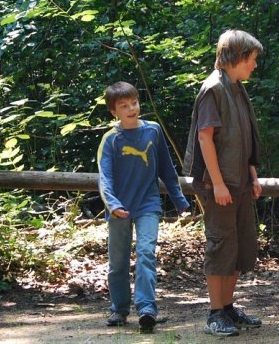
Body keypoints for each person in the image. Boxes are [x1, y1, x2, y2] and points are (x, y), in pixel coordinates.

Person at [184, 30, 265, 337]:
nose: (254, 65)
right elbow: (205, 137)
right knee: (220, 245)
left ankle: (229, 308)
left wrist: (253, 176)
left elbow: (244, 139)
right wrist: (217, 184)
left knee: (239, 247)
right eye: (252, 59)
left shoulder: (237, 87)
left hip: (240, 182)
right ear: (236, 57)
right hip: (217, 183)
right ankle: (215, 313)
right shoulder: (212, 89)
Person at [97, 81, 189, 332]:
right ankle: (119, 308)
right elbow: (105, 179)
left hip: (148, 203)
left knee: (147, 253)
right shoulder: (111, 140)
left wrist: (179, 199)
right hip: (118, 207)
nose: (131, 109)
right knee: (118, 262)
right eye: (124, 106)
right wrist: (113, 205)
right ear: (113, 111)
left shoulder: (153, 131)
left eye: (134, 103)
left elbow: (167, 169)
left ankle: (147, 307)